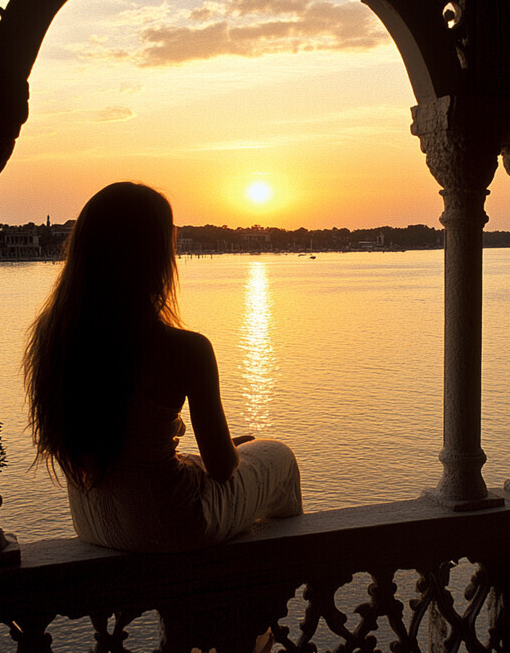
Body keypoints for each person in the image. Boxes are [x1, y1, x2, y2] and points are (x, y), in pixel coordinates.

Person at [24, 182, 303, 555]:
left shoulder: (52, 337)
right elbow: (221, 467)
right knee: (277, 455)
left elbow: (129, 452)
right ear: (154, 255)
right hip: (167, 524)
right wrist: (224, 453)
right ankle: (281, 572)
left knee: (222, 456)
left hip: (94, 522)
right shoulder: (185, 348)